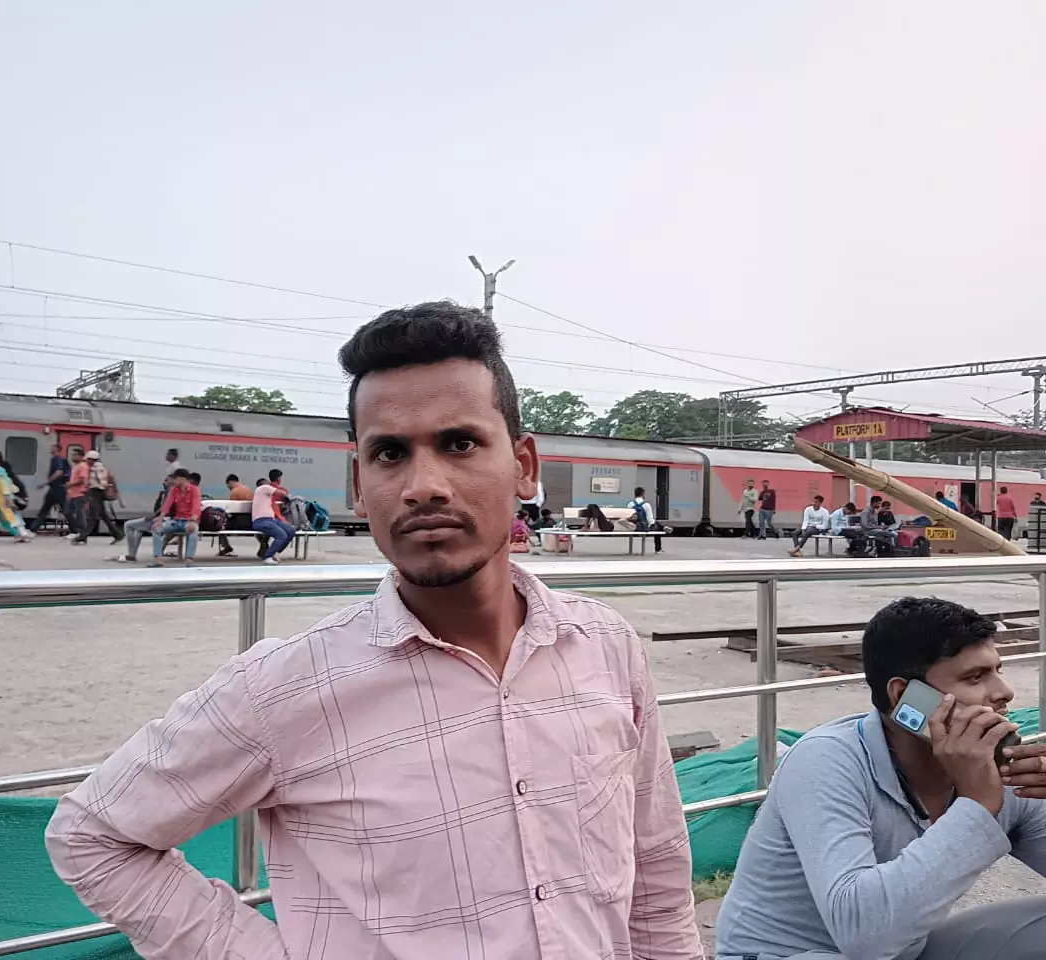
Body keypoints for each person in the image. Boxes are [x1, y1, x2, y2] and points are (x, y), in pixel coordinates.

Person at [46, 300, 701, 958]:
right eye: (391, 453)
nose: (423, 485)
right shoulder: (286, 690)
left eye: (460, 443)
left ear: (525, 466)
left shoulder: (607, 649)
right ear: (361, 485)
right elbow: (93, 836)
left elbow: (658, 879)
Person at [715, 597, 1046, 960]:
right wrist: (976, 805)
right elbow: (864, 935)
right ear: (906, 697)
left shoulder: (996, 768)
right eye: (975, 677)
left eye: (998, 670)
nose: (1004, 692)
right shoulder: (827, 761)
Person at [149, 468, 201, 566]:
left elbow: (196, 507)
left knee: (193, 531)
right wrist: (160, 520)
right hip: (176, 520)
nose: (173, 481)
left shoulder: (194, 490)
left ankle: (189, 559)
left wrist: (193, 521)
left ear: (182, 479)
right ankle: (158, 559)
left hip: (189, 520)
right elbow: (166, 506)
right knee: (156, 528)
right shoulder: (174, 490)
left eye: (175, 478)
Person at [73, 451, 123, 545]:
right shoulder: (100, 467)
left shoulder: (95, 468)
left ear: (92, 459)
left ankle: (82, 537)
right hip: (98, 492)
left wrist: (87, 488)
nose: (86, 461)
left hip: (95, 492)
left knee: (93, 516)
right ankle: (118, 535)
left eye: (88, 459)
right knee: (103, 515)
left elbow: (96, 481)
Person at [28, 444, 71, 533]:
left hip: (59, 488)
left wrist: (46, 482)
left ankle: (76, 529)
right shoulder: (55, 459)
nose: (51, 449)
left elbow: (59, 472)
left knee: (64, 510)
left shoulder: (59, 460)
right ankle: (33, 529)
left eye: (52, 448)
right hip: (54, 488)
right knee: (46, 509)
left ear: (57, 449)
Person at [251, 475, 294, 564]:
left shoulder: (265, 495)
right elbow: (282, 493)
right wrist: (287, 494)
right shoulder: (263, 488)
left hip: (271, 520)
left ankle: (276, 552)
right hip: (262, 521)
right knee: (281, 535)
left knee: (290, 531)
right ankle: (267, 557)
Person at [629, 485, 663, 553]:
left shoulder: (630, 504)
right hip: (644, 527)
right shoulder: (646, 505)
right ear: (643, 494)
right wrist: (653, 524)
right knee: (659, 526)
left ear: (635, 494)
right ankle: (658, 549)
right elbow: (650, 520)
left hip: (633, 527)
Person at [64, 448, 89, 539]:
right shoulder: (75, 466)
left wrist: (70, 484)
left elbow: (82, 480)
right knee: (67, 512)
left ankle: (82, 534)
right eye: (72, 455)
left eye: (75, 455)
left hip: (80, 494)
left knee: (80, 514)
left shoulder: (83, 466)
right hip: (72, 494)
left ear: (80, 456)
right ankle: (75, 531)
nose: (72, 457)